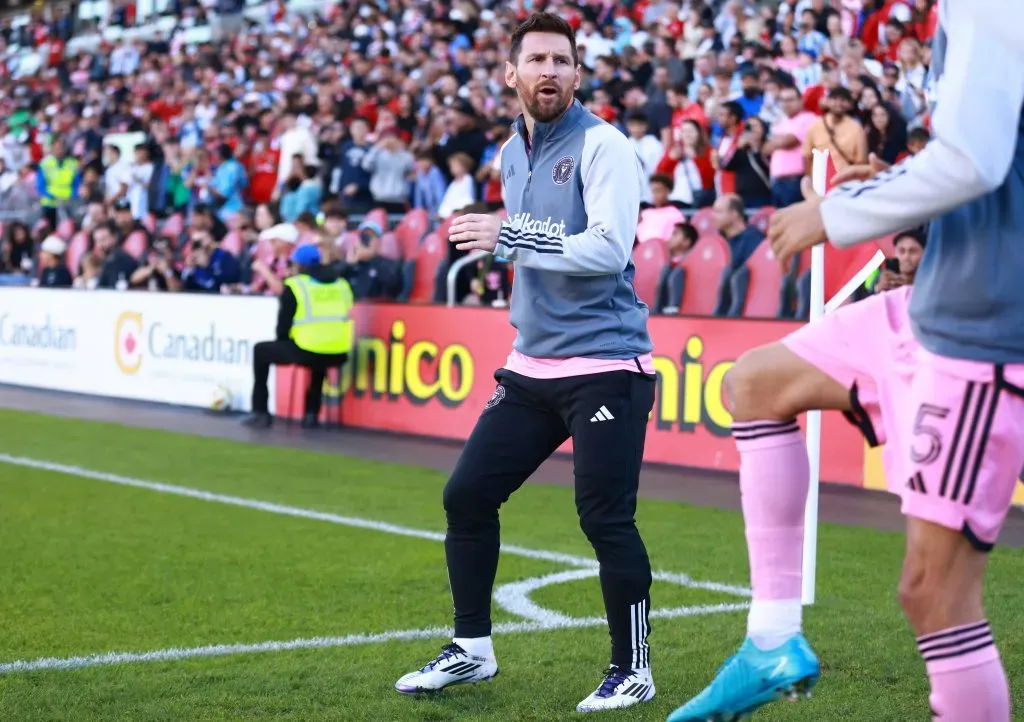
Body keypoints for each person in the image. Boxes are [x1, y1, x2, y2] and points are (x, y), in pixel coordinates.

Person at [669, 4, 1024, 721]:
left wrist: (835, 212)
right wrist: (893, 178)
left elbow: (975, 163)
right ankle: (771, 641)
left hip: (985, 327)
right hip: (936, 298)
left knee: (935, 594)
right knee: (754, 384)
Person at [394, 12, 658, 714]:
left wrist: (508, 237)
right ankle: (472, 650)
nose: (549, 70)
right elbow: (546, 247)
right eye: (536, 59)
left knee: (605, 517)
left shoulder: (605, 146)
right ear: (510, 74)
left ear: (578, 73)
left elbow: (608, 248)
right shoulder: (513, 151)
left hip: (607, 364)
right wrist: (514, 247)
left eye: (561, 60)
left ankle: (633, 668)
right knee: (467, 496)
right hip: (533, 365)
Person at [244, 244, 354, 430]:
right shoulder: (342, 284)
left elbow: (283, 327)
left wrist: (285, 343)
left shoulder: (296, 286)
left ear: (299, 266)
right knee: (319, 359)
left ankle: (260, 412)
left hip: (307, 349)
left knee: (261, 351)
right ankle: (311, 414)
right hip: (340, 352)